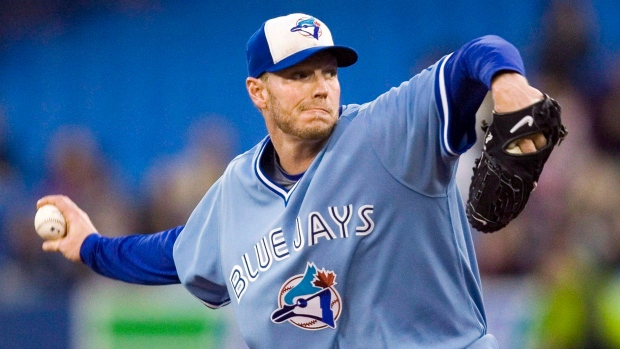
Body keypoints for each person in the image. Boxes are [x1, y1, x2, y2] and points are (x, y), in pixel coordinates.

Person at [38, 13, 551, 349]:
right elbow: (172, 253)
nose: (321, 88)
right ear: (258, 92)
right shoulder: (236, 191)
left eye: (328, 72)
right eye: (299, 75)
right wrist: (90, 246)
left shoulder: (387, 131)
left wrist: (507, 83)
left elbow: (478, 53)